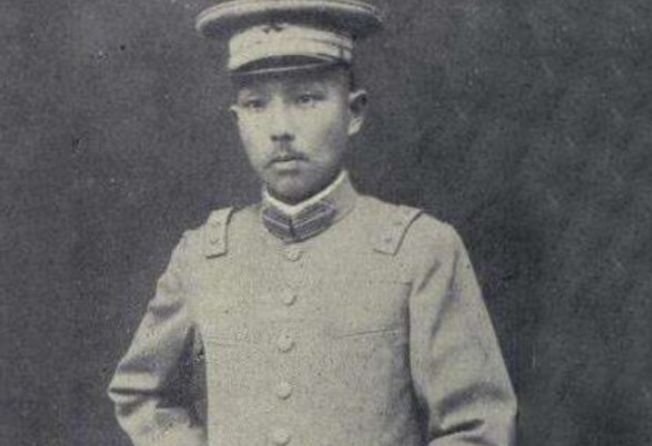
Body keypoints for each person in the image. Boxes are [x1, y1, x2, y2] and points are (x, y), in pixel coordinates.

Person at [107, 1, 517, 445]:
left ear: (353, 112)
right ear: (237, 119)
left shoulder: (421, 251)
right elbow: (140, 392)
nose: (280, 128)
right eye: (256, 104)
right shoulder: (202, 256)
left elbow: (477, 427)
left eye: (306, 99)